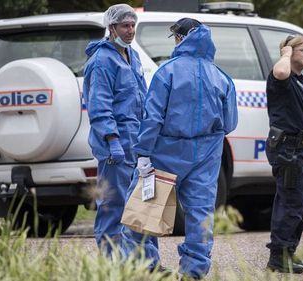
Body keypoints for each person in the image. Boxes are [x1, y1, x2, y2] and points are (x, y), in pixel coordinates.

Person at [122, 18, 237, 279]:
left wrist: (143, 153)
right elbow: (230, 123)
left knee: (145, 207)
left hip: (167, 150)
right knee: (200, 214)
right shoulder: (220, 76)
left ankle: (145, 267)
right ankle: (194, 271)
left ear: (180, 38)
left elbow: (152, 118)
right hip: (206, 155)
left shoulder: (167, 72)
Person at [82, 3, 146, 255]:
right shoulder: (102, 61)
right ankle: (111, 262)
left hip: (136, 142)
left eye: (133, 25)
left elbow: (140, 96)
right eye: (125, 26)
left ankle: (136, 261)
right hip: (115, 146)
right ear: (111, 28)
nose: (130, 30)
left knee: (137, 205)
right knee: (112, 205)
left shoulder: (133, 55)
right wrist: (112, 139)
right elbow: (99, 105)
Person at [264, 34, 303, 273]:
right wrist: (286, 54)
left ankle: (289, 251)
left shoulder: (301, 83)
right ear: (288, 52)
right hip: (288, 150)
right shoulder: (282, 78)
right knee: (289, 203)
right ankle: (278, 257)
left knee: (298, 205)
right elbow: (279, 72)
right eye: (302, 49)